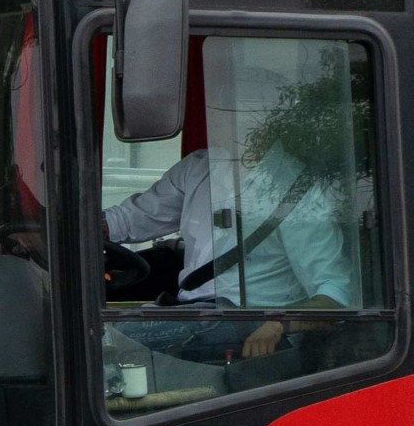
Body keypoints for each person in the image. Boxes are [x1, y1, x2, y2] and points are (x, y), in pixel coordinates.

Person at [104, 142, 351, 363]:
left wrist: (280, 322)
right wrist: (81, 227)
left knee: (108, 342)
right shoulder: (199, 167)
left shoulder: (297, 189)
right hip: (191, 311)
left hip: (249, 320)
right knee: (98, 329)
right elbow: (133, 219)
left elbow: (335, 292)